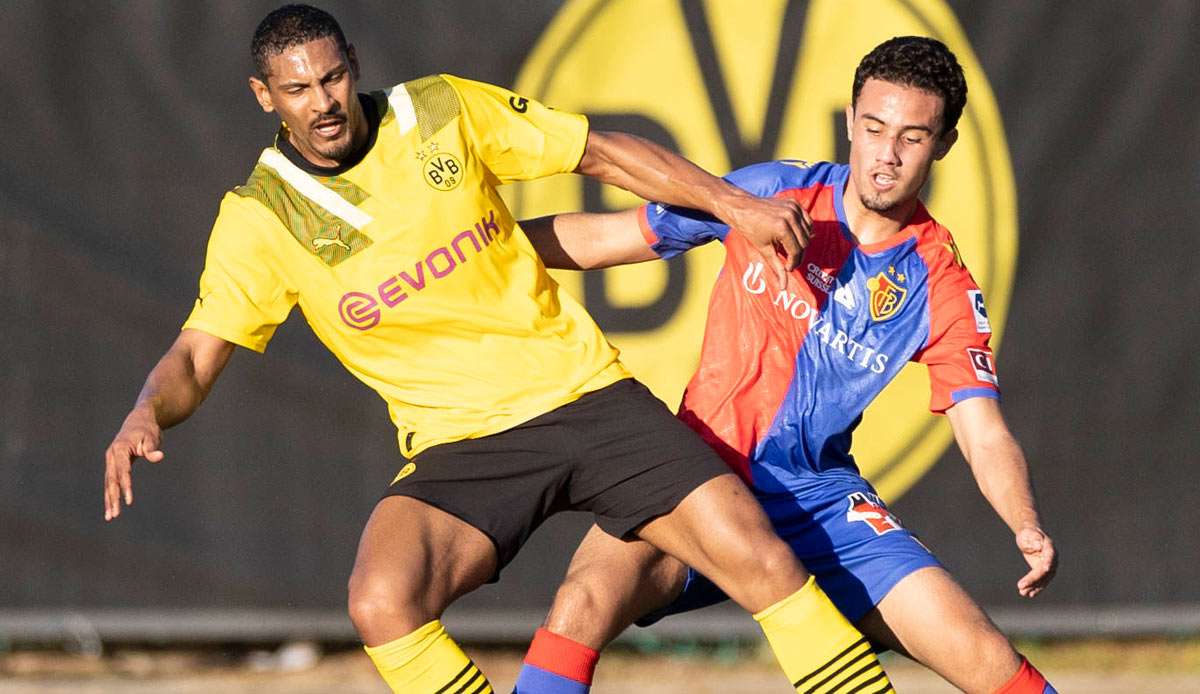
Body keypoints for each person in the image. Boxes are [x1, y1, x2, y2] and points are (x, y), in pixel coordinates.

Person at [101, 5, 901, 693]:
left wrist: (732, 203)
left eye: (334, 77)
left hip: (583, 394)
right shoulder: (260, 217)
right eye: (299, 89)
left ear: (354, 67)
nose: (324, 102)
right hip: (461, 442)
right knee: (381, 600)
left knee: (759, 558)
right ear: (264, 96)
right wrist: (147, 411)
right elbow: (197, 355)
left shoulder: (438, 110)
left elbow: (603, 153)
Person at [517, 36, 1058, 694]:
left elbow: (983, 431)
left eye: (912, 138)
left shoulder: (938, 279)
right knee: (581, 604)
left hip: (818, 500)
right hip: (696, 480)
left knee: (982, 654)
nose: (886, 157)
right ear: (851, 121)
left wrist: (1024, 523)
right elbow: (608, 238)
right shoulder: (774, 193)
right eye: (873, 128)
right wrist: (484, 248)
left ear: (942, 145)